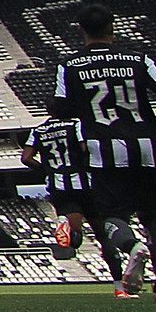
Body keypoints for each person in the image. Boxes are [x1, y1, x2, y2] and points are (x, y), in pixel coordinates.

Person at [48, 3, 156, 304]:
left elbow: (59, 107)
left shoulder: (69, 66)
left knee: (112, 216)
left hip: (104, 150)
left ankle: (132, 247)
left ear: (81, 31)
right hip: (147, 146)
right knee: (154, 217)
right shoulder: (138, 58)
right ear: (112, 28)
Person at [20, 115, 122, 281]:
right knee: (102, 235)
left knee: (75, 241)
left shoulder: (38, 130)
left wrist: (46, 170)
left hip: (58, 187)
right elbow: (85, 148)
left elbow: (26, 158)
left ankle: (65, 223)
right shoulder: (75, 124)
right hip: (83, 184)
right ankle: (119, 286)